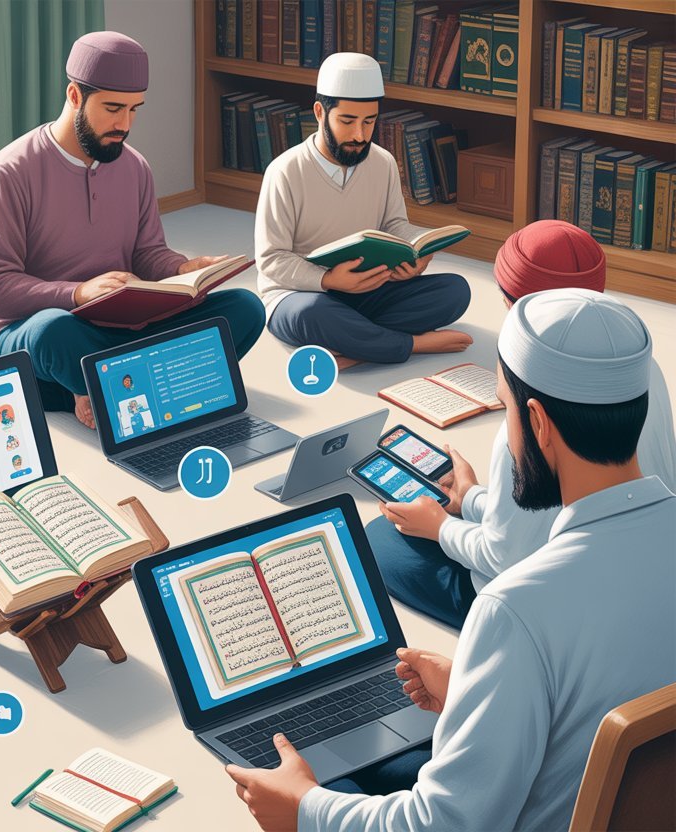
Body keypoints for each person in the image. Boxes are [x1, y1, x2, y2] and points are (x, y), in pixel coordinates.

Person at [226, 289, 675, 831]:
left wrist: (305, 810)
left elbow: (445, 826)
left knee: (316, 777)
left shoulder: (516, 609)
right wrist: (474, 682)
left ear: (537, 423)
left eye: (506, 408)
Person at [364, 221, 676, 628]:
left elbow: (508, 559)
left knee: (378, 538)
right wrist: (472, 498)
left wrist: (440, 528)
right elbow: (557, 508)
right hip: (641, 562)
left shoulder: (526, 426)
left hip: (551, 604)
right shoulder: (641, 368)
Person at [0, 31, 266, 427]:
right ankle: (142, 383)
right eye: (113, 108)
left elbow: (147, 253)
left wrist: (183, 270)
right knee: (52, 332)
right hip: (46, 331)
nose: (124, 124)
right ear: (75, 96)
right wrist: (77, 293)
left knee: (245, 308)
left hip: (120, 329)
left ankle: (101, 387)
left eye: (134, 110)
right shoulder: (9, 172)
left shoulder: (135, 167)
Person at [255, 52, 472, 369]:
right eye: (347, 121)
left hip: (370, 288)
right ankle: (412, 344)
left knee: (455, 291)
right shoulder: (285, 171)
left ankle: (355, 348)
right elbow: (272, 260)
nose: (360, 135)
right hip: (304, 295)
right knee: (310, 315)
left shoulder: (382, 162)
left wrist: (418, 252)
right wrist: (328, 279)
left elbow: (395, 224)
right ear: (320, 112)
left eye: (369, 122)